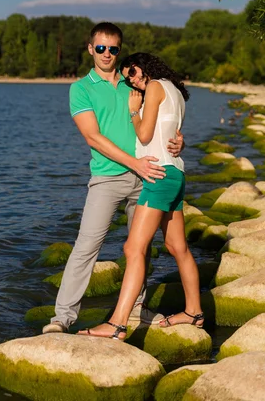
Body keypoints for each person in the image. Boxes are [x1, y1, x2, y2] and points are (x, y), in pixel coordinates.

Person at [43, 24, 183, 334]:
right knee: (87, 246)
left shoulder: (135, 81)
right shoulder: (81, 88)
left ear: (119, 50)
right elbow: (93, 137)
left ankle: (136, 309)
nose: (108, 54)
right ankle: (62, 318)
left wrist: (177, 140)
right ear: (91, 49)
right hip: (107, 178)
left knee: (140, 246)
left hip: (148, 175)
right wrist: (135, 163)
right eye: (101, 48)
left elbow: (162, 117)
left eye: (114, 49)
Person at [78, 52, 203, 340]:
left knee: (133, 249)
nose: (132, 81)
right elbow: (172, 134)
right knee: (177, 247)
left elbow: (146, 136)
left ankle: (117, 323)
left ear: (145, 66)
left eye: (132, 73)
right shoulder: (175, 91)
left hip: (158, 176)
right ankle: (194, 312)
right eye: (127, 79)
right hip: (175, 174)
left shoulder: (156, 86)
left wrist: (134, 111)